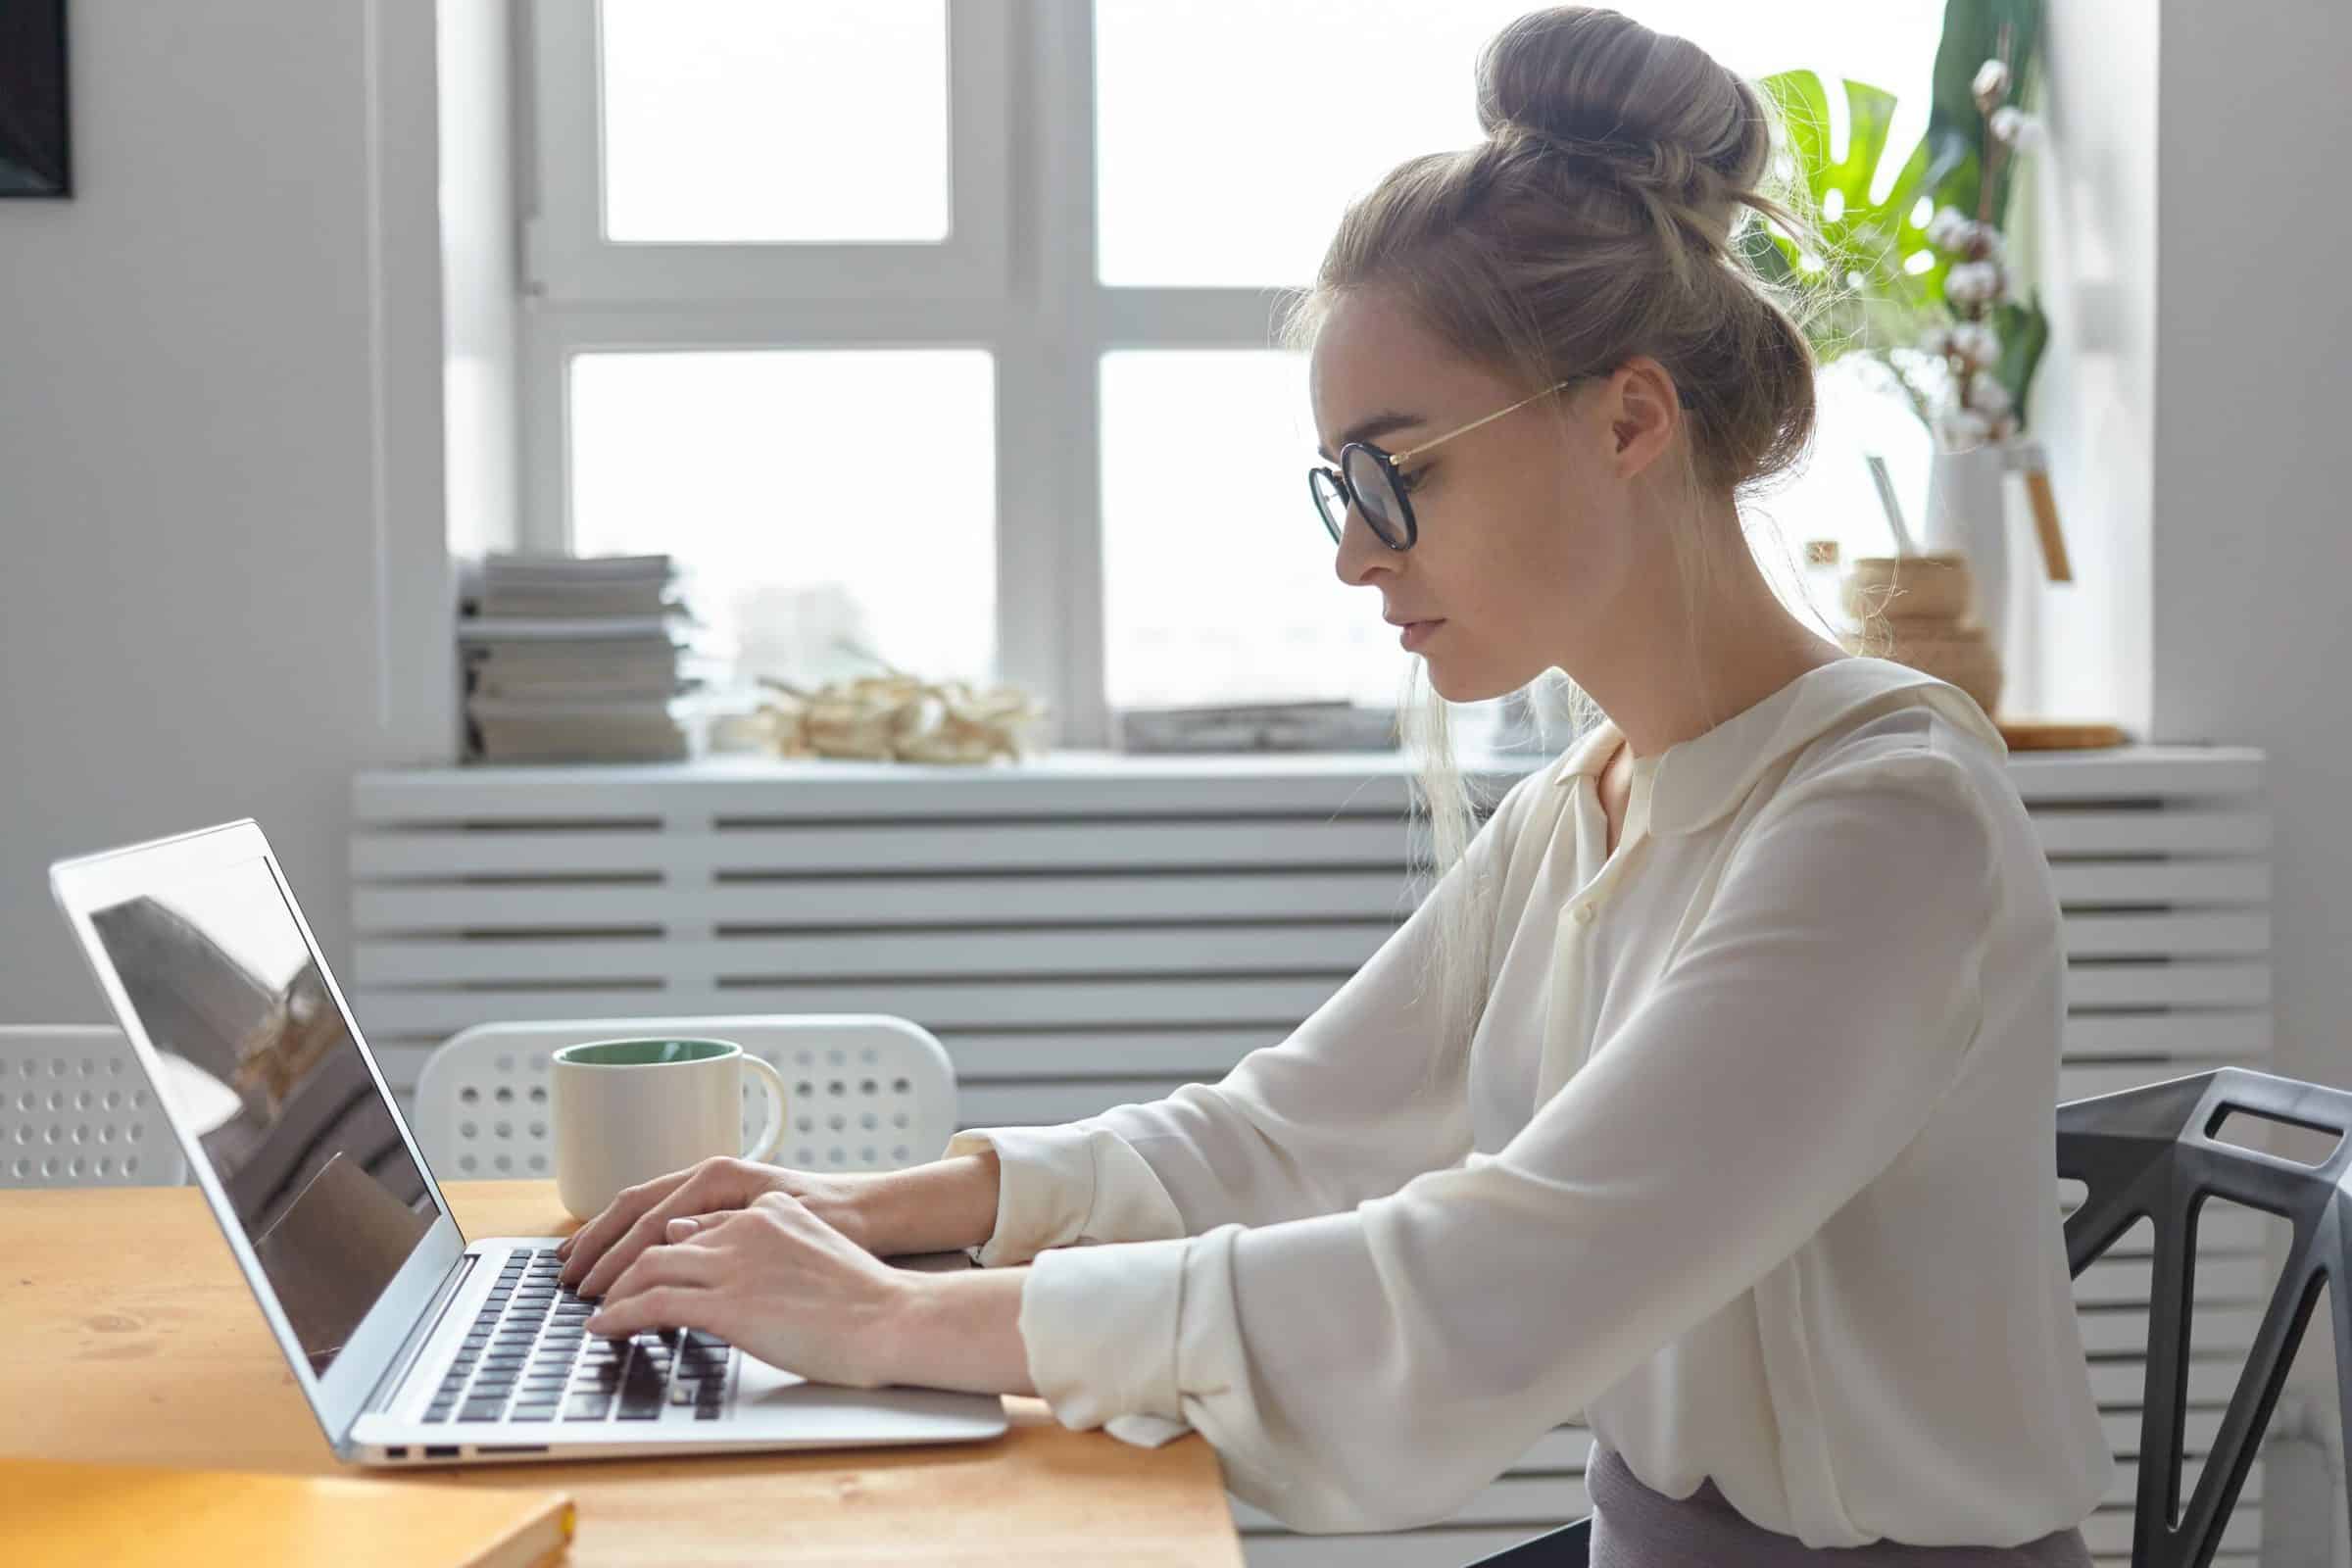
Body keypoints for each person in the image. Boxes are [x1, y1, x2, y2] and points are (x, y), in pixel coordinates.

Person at [555, 8, 2113, 1559]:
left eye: (1399, 472)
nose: (1356, 553)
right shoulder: (1585, 809)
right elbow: (1276, 1139)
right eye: (1341, 488)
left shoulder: (1885, 824)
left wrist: (894, 1322)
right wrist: (867, 1209)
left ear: (1631, 419)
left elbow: (1489, 1282)